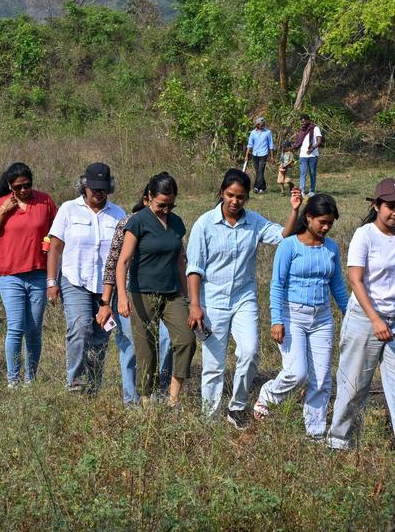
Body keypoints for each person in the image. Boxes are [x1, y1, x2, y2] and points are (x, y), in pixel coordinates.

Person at [186, 169, 301, 427]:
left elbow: (283, 236)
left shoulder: (254, 222)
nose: (235, 202)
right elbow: (194, 269)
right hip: (212, 299)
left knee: (249, 352)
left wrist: (294, 210)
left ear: (247, 197)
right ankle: (209, 417)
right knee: (214, 365)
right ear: (222, 193)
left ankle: (236, 407)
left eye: (240, 197)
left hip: (243, 298)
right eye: (230, 195)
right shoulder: (204, 224)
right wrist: (195, 305)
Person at [328, 179, 395, 455]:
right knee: (354, 385)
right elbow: (356, 281)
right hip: (366, 319)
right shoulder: (365, 235)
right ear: (376, 205)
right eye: (390, 207)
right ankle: (339, 442)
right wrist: (375, 320)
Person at [255, 193, 348, 439]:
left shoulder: (331, 248)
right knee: (297, 373)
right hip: (292, 315)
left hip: (322, 319)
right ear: (308, 217)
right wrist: (277, 320)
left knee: (321, 378)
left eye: (330, 223)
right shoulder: (289, 246)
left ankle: (315, 431)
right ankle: (269, 395)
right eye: (322, 222)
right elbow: (277, 284)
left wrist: (349, 313)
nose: (326, 227)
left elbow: (337, 284)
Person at [114, 172, 196, 405]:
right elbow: (123, 261)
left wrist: (187, 298)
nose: (166, 210)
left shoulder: (177, 223)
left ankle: (173, 397)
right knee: (146, 349)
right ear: (149, 196)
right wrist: (122, 296)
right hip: (143, 293)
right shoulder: (138, 221)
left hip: (172, 293)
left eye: (171, 205)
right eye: (161, 205)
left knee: (186, 340)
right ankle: (146, 399)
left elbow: (181, 261)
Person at [47, 162, 126, 394]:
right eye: (94, 189)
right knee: (81, 329)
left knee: (101, 336)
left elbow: (122, 254)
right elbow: (55, 248)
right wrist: (52, 282)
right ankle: (75, 382)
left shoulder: (118, 214)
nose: (98, 193)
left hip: (105, 286)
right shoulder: (68, 209)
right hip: (75, 280)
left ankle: (93, 385)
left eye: (103, 189)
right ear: (84, 185)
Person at [0, 162, 57, 386]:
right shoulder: (1, 204)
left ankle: (30, 379)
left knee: (34, 329)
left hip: (37, 273)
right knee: (15, 327)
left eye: (27, 185)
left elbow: (57, 232)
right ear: (10, 186)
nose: (24, 190)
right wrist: (4, 211)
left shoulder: (44, 201)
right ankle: (13, 380)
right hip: (10, 275)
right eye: (18, 187)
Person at [95, 193, 173, 404]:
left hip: (163, 295)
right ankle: (132, 401)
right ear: (147, 200)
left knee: (166, 341)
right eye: (158, 204)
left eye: (169, 205)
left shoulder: (170, 223)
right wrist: (108, 301)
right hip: (130, 294)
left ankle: (159, 394)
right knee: (131, 346)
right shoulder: (127, 224)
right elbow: (113, 264)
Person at [293, 114, 323, 195]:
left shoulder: (315, 128)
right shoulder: (302, 130)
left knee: (312, 173)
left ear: (308, 120)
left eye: (304, 121)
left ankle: (312, 191)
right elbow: (299, 142)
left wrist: (312, 148)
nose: (302, 123)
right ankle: (302, 191)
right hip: (303, 155)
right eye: (301, 122)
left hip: (313, 155)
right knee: (303, 174)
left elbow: (319, 140)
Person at [243, 117, 274, 194]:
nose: (263, 125)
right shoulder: (252, 133)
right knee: (257, 171)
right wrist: (247, 155)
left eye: (263, 124)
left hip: (263, 154)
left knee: (260, 171)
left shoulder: (268, 132)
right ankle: (262, 187)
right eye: (261, 124)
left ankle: (257, 187)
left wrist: (272, 156)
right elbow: (250, 145)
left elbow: (271, 145)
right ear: (257, 124)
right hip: (255, 154)